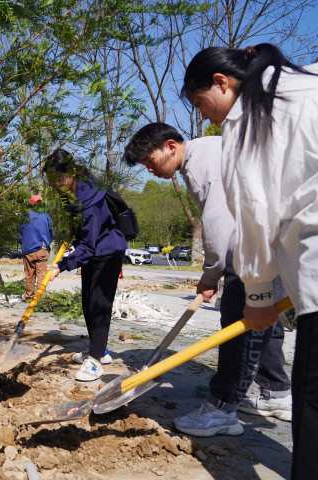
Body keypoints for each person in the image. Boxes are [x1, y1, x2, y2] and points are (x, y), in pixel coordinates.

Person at [182, 43, 318, 479]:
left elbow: (252, 216)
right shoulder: (309, 81)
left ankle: (234, 402)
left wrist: (257, 294)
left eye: (200, 103)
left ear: (222, 83)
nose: (205, 116)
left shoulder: (247, 121)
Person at [123, 122, 291, 438]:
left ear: (170, 146)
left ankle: (222, 409)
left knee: (239, 327)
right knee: (266, 320)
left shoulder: (204, 165)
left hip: (257, 249)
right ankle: (275, 392)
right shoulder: (209, 151)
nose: (150, 170)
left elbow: (219, 227)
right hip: (276, 242)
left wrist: (211, 274)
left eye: (150, 161)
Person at [44, 149, 126, 381]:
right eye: (51, 180)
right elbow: (82, 234)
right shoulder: (76, 191)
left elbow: (89, 245)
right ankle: (99, 350)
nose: (54, 185)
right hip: (95, 252)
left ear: (69, 173)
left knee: (99, 305)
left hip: (108, 252)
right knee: (88, 302)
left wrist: (61, 265)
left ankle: (95, 362)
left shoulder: (90, 198)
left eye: (57, 179)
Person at [18, 193, 53, 301]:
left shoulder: (24, 217)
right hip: (42, 248)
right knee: (42, 274)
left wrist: (23, 244)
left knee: (29, 274)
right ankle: (40, 298)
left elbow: (19, 233)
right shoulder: (46, 216)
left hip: (28, 250)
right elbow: (51, 232)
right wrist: (47, 243)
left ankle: (29, 296)